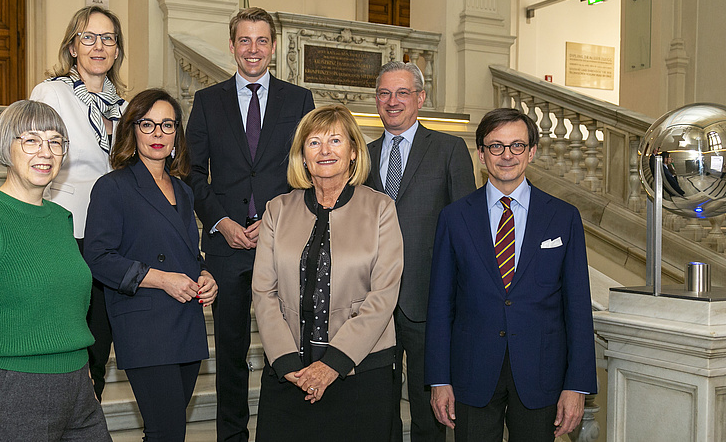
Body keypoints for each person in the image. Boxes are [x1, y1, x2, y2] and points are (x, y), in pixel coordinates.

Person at [0, 100, 111, 442]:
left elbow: (71, 310)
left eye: (55, 141)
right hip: (12, 391)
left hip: (78, 385)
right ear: (7, 146)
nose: (45, 151)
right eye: (31, 140)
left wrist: (85, 378)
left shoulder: (62, 219)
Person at [425, 108, 597, 441]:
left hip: (541, 374)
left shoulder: (563, 217)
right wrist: (439, 380)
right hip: (471, 373)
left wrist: (577, 385)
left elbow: (577, 308)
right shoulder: (454, 217)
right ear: (481, 154)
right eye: (496, 146)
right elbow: (440, 306)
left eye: (517, 146)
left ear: (532, 152)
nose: (507, 155)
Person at [184, 7, 315, 441]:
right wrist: (220, 221)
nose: (253, 49)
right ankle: (232, 436)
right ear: (232, 46)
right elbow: (191, 172)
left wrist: (275, 217)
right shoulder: (207, 101)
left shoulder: (299, 100)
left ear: (274, 47)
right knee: (232, 355)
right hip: (227, 247)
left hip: (285, 243)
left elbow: (307, 169)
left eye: (262, 41)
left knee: (293, 345)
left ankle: (286, 429)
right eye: (245, 40)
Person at [252, 105, 403, 442]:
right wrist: (287, 362)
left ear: (352, 152)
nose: (325, 150)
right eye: (314, 142)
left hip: (360, 373)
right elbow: (264, 293)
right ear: (302, 157)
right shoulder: (277, 210)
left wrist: (333, 363)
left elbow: (384, 295)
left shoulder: (380, 209)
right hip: (289, 372)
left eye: (335, 140)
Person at [83, 89, 218, 441]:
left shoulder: (183, 190)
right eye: (148, 124)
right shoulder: (112, 187)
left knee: (165, 432)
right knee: (167, 431)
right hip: (145, 324)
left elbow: (188, 253)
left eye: (167, 125)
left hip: (186, 323)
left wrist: (205, 276)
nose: (158, 133)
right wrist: (160, 279)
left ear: (177, 134)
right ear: (132, 131)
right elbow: (98, 258)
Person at [365, 61, 475, 442]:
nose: (392, 101)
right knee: (378, 405)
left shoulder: (449, 149)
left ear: (420, 98)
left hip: (429, 300)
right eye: (384, 93)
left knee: (430, 408)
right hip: (372, 301)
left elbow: (468, 230)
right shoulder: (362, 155)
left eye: (402, 93)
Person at [30, 5, 128, 400]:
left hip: (111, 238)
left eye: (108, 38)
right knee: (70, 347)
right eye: (88, 37)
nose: (98, 46)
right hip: (68, 233)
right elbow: (36, 161)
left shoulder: (123, 106)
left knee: (98, 346)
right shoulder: (51, 93)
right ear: (73, 46)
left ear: (117, 50)